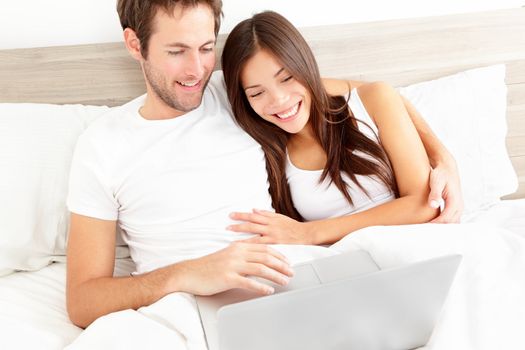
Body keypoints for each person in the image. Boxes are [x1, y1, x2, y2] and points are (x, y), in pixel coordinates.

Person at [65, 0, 462, 330]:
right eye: (176, 51)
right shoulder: (102, 144)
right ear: (135, 44)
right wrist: (188, 274)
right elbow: (82, 302)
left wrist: (441, 157)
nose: (196, 69)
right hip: (182, 307)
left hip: (289, 286)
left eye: (206, 48)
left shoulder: (236, 92)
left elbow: (358, 91)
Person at [221, 11, 449, 245]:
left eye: (287, 78)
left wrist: (310, 232)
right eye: (257, 93)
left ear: (305, 66)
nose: (279, 100)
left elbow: (424, 206)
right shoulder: (263, 150)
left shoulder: (373, 99)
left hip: (410, 248)